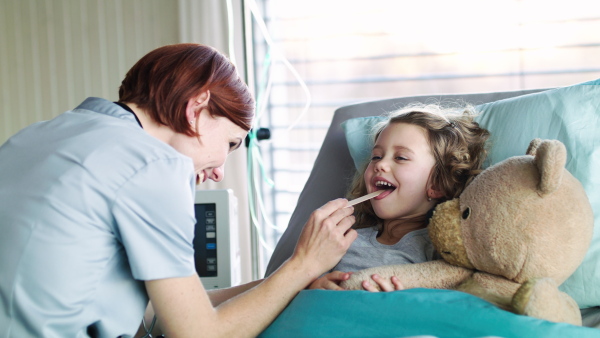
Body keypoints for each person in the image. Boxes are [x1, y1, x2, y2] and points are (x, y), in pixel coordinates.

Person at [0, 43, 357, 337]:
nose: (219, 172)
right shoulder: (156, 163)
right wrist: (303, 264)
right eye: (231, 143)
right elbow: (198, 334)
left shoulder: (39, 135)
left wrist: (285, 284)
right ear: (196, 108)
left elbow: (169, 308)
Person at [308, 103, 490, 292]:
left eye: (401, 158)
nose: (380, 165)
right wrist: (314, 286)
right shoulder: (342, 240)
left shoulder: (441, 249)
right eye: (376, 157)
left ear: (437, 184)